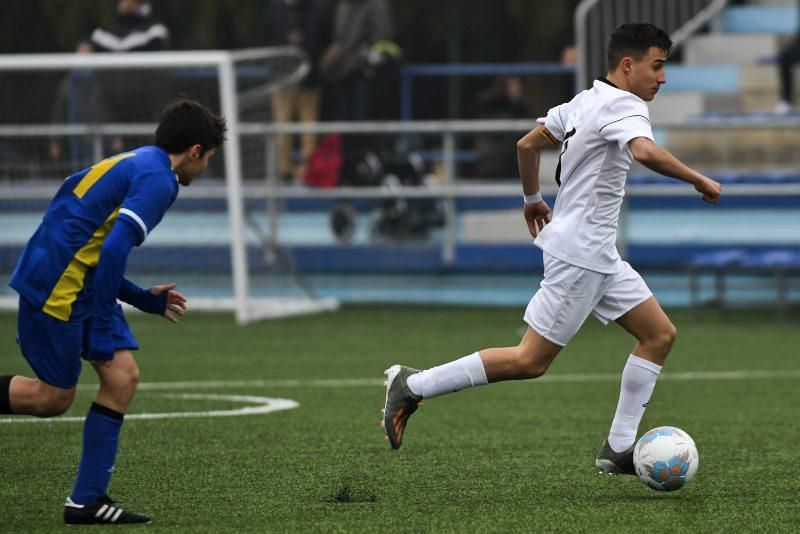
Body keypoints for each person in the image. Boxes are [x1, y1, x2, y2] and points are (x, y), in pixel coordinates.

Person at [381, 23, 722, 478]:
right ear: (628, 65)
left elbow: (526, 144)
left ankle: (618, 448)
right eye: (657, 66)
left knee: (659, 335)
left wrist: (531, 199)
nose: (662, 78)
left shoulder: (584, 101)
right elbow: (643, 152)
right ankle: (413, 384)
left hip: (597, 256)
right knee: (529, 361)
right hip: (581, 256)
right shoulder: (626, 106)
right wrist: (698, 178)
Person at [1, 99, 226, 524]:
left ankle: (86, 501)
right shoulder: (160, 180)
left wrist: (143, 299)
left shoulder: (142, 160)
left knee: (122, 378)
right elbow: (113, 248)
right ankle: (86, 500)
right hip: (57, 286)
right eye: (208, 159)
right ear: (195, 150)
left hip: (72, 276)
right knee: (53, 398)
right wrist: (103, 324)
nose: (205, 168)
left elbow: (92, 246)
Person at [260, 0, 332, 183]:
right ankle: (284, 169)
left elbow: (324, 40)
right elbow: (268, 38)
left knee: (309, 126)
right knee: (282, 125)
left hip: (310, 78)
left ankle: (307, 170)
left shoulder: (318, 10)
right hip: (282, 78)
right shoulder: (274, 10)